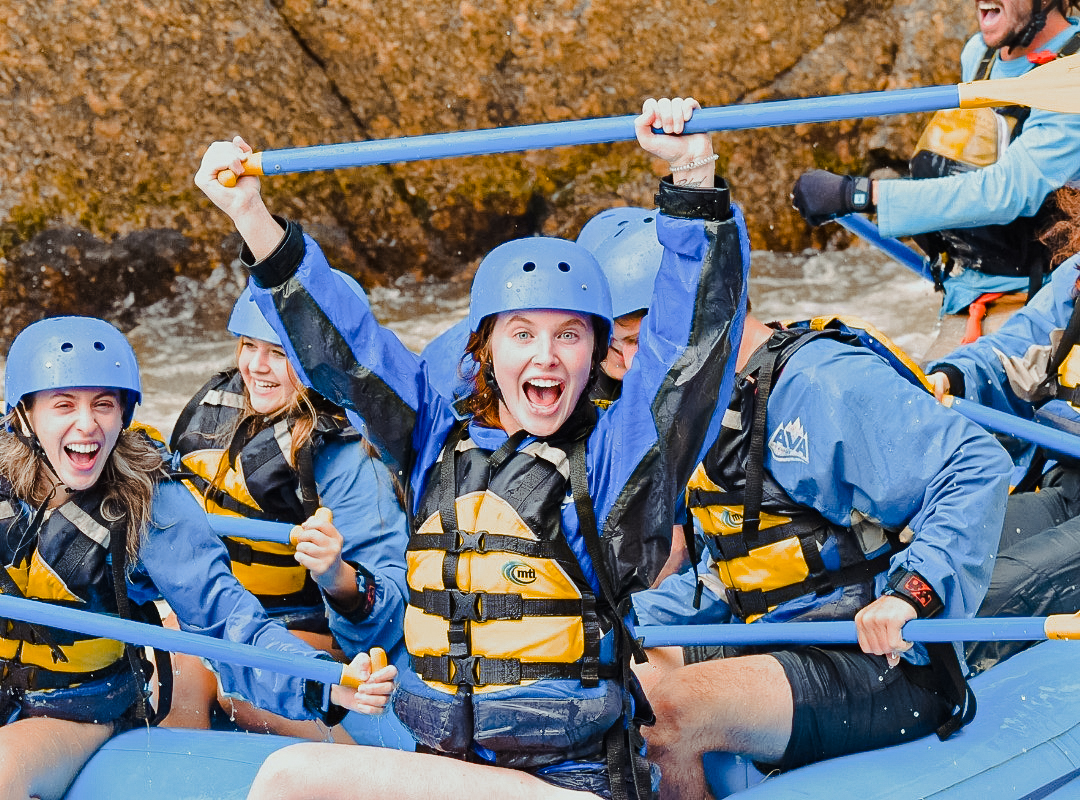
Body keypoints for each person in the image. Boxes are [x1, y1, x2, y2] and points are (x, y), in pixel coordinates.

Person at [194, 95, 747, 800]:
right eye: (523, 334)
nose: (546, 357)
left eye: (569, 336)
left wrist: (694, 179)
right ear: (485, 350)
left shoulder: (619, 463)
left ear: (595, 356)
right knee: (287, 777)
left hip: (571, 785)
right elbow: (350, 349)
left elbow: (687, 351)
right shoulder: (431, 438)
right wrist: (250, 216)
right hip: (444, 766)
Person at [0, 315, 394, 800]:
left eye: (103, 404)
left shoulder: (153, 505)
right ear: (23, 415)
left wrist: (324, 683)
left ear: (124, 413)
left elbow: (226, 623)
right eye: (64, 405)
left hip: (77, 707)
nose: (87, 424)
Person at [629, 305, 1012, 797]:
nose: (628, 365)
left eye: (633, 341)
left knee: (665, 710)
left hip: (880, 659)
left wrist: (911, 593)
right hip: (769, 636)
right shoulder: (704, 401)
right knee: (616, 679)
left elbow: (975, 464)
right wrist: (601, 620)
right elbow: (723, 576)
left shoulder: (819, 380)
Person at [162, 285, 410, 742]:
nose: (256, 367)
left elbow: (393, 607)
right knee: (181, 642)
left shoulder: (350, 460)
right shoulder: (218, 409)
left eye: (279, 353)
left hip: (317, 635)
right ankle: (178, 761)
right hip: (224, 617)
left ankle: (359, 771)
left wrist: (338, 574)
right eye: (250, 347)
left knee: (225, 669)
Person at [792, 0, 1080, 359]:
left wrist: (861, 194)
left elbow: (1006, 193)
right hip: (964, 292)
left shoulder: (1072, 75)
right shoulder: (979, 54)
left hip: (1040, 310)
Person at [924, 188, 1080, 674]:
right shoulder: (1075, 278)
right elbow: (1013, 345)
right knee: (934, 564)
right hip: (1066, 486)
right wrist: (949, 375)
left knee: (988, 598)